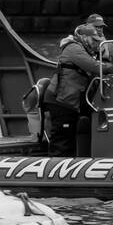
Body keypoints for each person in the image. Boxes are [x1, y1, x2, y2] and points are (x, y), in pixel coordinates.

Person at [41, 24, 104, 155]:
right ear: (85, 38)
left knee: (69, 143)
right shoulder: (73, 48)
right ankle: (55, 171)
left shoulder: (86, 51)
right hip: (61, 101)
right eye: (94, 40)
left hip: (69, 102)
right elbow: (93, 66)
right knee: (61, 144)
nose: (97, 44)